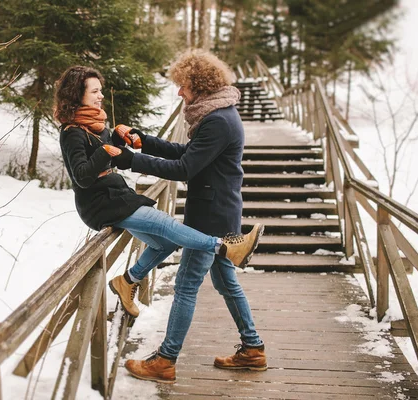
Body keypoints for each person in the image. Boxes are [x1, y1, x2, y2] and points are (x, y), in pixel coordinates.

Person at [54, 65, 263, 319]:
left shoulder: (97, 126)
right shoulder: (71, 133)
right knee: (164, 223)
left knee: (167, 241)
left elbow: (117, 155)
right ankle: (225, 247)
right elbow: (83, 176)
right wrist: (107, 152)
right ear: (78, 95)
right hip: (100, 204)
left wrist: (124, 141)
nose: (100, 96)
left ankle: (128, 281)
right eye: (95, 91)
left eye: (100, 91)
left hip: (118, 196)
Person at [110, 50, 267, 383]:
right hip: (222, 210)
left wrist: (128, 160)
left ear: (199, 84)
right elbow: (189, 154)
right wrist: (145, 142)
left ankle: (165, 360)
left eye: (182, 86)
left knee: (185, 287)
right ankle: (253, 348)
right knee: (226, 282)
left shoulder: (218, 120)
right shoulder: (217, 115)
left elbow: (184, 168)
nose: (179, 93)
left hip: (211, 216)